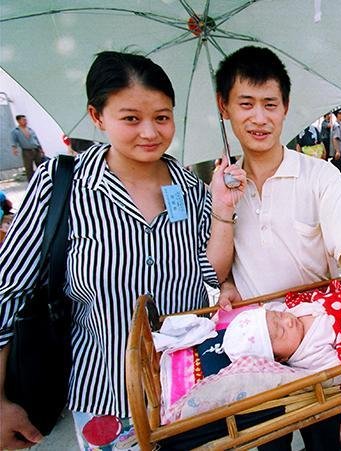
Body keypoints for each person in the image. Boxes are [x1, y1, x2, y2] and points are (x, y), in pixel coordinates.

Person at [0, 51, 246, 450]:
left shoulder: (189, 188)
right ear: (97, 117)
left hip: (189, 391)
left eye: (162, 117)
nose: (150, 132)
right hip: (105, 401)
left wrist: (222, 209)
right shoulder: (60, 185)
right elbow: (8, 292)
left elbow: (210, 275)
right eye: (131, 118)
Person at [213, 46, 341, 451]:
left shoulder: (320, 176)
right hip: (260, 351)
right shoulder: (219, 188)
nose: (259, 117)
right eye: (245, 104)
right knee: (269, 442)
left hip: (317, 346)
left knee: (323, 440)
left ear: (286, 107)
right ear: (225, 107)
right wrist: (227, 272)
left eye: (270, 104)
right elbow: (218, 268)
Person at [9, 115, 45, 181]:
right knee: (29, 168)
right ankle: (31, 183)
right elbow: (14, 141)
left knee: (41, 166)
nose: (25, 121)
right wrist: (14, 149)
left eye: (25, 120)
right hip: (27, 151)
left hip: (36, 150)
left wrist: (41, 149)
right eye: (23, 120)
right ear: (18, 121)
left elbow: (36, 140)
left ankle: (44, 179)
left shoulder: (30, 129)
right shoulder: (15, 131)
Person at [330, 109, 341, 176]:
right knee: (339, 173)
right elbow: (335, 138)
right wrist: (337, 151)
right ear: (338, 115)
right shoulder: (337, 125)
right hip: (338, 154)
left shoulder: (340, 125)